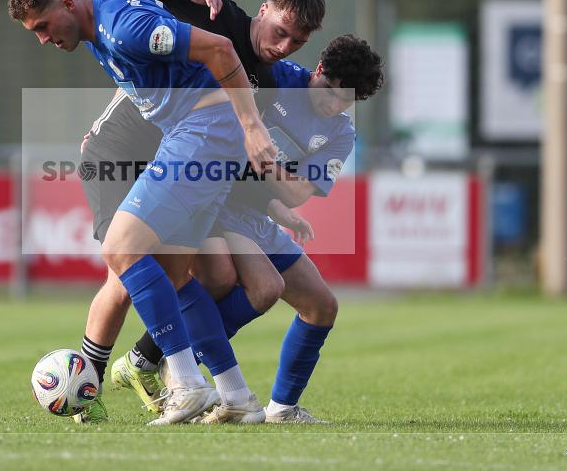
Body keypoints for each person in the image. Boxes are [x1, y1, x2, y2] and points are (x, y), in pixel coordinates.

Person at [8, 0, 275, 425]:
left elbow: (221, 48)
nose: (44, 38)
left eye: (44, 26)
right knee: (176, 275)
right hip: (202, 137)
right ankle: (237, 397)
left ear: (69, 5)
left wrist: (252, 128)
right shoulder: (100, 28)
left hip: (203, 134)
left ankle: (188, 384)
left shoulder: (123, 28)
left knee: (121, 248)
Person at [74, 0, 326, 422]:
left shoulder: (265, 86)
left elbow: (236, 153)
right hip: (121, 148)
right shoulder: (217, 14)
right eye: (281, 32)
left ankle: (193, 380)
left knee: (213, 276)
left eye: (297, 43)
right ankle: (86, 391)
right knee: (124, 264)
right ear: (263, 10)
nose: (284, 46)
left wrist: (272, 203)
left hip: (178, 162)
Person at [124, 35, 385, 423]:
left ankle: (281, 408)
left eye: (344, 101)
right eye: (329, 91)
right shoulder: (273, 77)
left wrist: (257, 152)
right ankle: (176, 367)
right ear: (318, 71)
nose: (333, 105)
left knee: (321, 305)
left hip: (255, 212)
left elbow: (297, 192)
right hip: (215, 199)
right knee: (260, 287)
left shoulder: (341, 134)